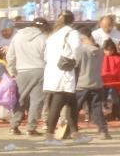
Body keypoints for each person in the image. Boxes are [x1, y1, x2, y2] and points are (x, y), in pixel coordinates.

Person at [41, 11, 82, 142]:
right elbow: (77, 49)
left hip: (52, 71)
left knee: (72, 104)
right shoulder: (72, 33)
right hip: (64, 73)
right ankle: (49, 136)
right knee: (57, 105)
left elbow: (46, 55)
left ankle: (75, 134)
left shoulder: (53, 35)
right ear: (72, 21)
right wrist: (76, 62)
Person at [7, 17, 48, 135]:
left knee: (20, 100)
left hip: (22, 71)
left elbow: (10, 56)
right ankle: (31, 128)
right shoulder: (43, 38)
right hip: (40, 70)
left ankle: (14, 126)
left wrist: (13, 71)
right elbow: (47, 57)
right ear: (43, 27)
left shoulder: (17, 36)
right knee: (36, 101)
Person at [74, 28, 109, 140]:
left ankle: (71, 130)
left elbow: (75, 65)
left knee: (75, 108)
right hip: (97, 83)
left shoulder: (81, 50)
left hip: (81, 84)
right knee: (96, 108)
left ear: (82, 38)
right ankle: (103, 131)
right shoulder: (99, 51)